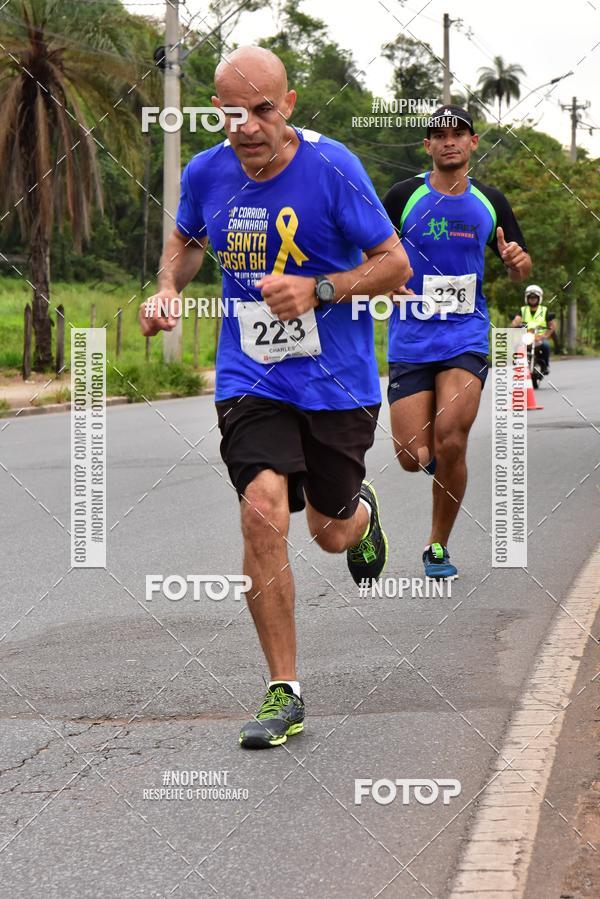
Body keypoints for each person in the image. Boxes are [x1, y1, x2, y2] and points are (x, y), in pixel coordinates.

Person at [139, 46, 412, 748]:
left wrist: (320, 289)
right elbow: (186, 239)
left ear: (287, 105)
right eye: (233, 111)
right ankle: (283, 690)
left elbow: (395, 264)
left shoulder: (333, 169)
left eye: (262, 109)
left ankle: (360, 513)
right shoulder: (206, 172)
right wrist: (169, 286)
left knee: (328, 531)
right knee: (262, 509)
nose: (248, 125)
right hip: (251, 376)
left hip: (338, 383)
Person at [383, 105, 532, 579]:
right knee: (411, 457)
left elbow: (521, 266)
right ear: (427, 146)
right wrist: (383, 282)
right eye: (439, 135)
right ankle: (427, 461)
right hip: (410, 336)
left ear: (472, 143)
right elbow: (372, 255)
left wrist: (513, 261)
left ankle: (437, 547)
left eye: (458, 134)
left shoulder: (490, 201)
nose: (449, 141)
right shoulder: (402, 196)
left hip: (466, 334)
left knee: (452, 440)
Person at [511, 285, 555, 374]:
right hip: (525, 336)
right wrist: (516, 323)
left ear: (539, 298)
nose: (533, 299)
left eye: (535, 297)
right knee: (515, 344)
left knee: (546, 346)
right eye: (530, 297)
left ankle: (545, 365)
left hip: (539, 337)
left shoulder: (544, 310)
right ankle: (515, 363)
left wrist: (545, 336)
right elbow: (517, 320)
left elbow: (552, 325)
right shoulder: (523, 310)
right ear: (527, 298)